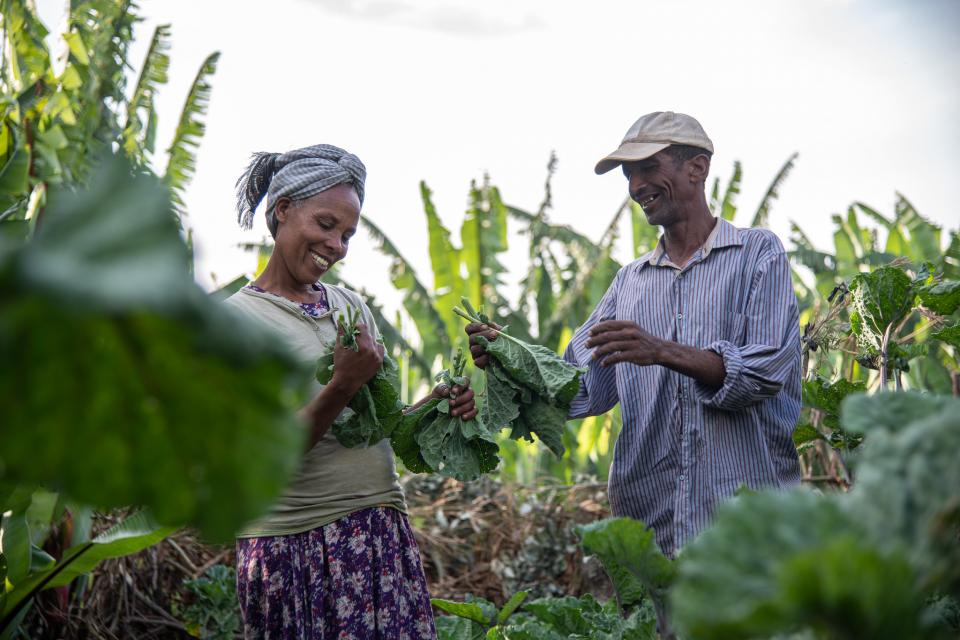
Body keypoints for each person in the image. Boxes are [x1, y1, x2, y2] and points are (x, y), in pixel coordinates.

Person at [467, 112, 802, 556]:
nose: (636, 186)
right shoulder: (630, 283)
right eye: (629, 175)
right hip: (651, 524)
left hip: (747, 528)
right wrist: (508, 366)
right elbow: (579, 387)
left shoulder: (757, 254)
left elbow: (763, 372)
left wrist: (660, 350)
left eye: (649, 168)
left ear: (696, 168)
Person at [225, 144, 473, 639]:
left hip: (377, 533)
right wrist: (342, 383)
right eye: (325, 224)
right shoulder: (234, 323)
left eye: (347, 234)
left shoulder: (351, 306)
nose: (336, 245)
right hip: (293, 547)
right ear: (283, 210)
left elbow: (375, 426)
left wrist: (436, 406)